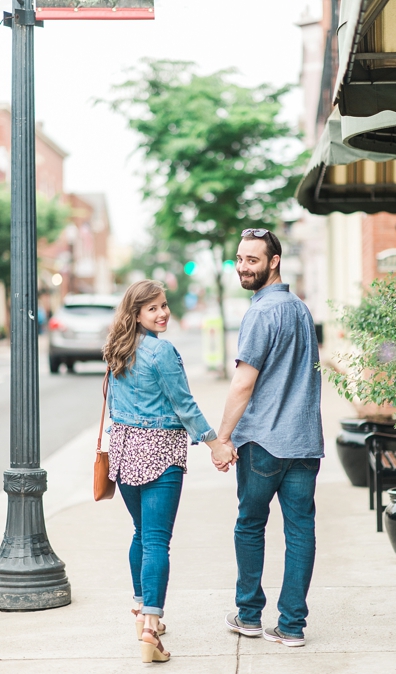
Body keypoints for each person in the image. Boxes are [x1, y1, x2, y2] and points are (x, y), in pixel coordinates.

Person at [103, 279, 232, 664]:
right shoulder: (162, 351)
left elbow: (113, 402)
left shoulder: (116, 348)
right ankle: (150, 628)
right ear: (137, 313)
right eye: (153, 308)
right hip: (159, 452)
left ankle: (143, 612)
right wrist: (216, 444)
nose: (163, 313)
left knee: (142, 534)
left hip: (123, 453)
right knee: (157, 540)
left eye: (164, 305)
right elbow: (185, 405)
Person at [218, 228, 323, 648]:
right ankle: (292, 626)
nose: (243, 267)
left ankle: (248, 616)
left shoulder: (262, 313)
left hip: (262, 443)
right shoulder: (299, 309)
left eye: (252, 260)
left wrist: (222, 437)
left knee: (250, 526)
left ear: (274, 261)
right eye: (240, 259)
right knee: (300, 532)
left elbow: (244, 383)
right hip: (303, 442)